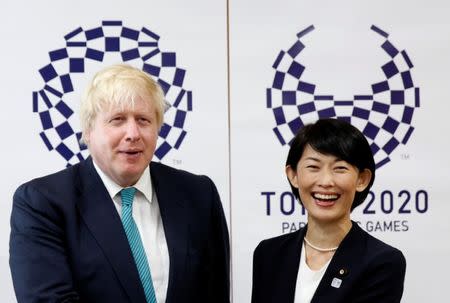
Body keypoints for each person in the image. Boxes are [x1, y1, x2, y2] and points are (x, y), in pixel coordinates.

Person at [10, 64, 230, 303]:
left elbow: (214, 293)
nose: (133, 133)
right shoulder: (43, 202)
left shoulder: (197, 195)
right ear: (88, 131)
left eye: (144, 120)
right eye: (117, 120)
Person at [251, 118, 406, 303]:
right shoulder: (269, 254)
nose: (325, 181)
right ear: (293, 175)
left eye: (340, 168)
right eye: (313, 167)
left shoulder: (382, 262)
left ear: (362, 179)